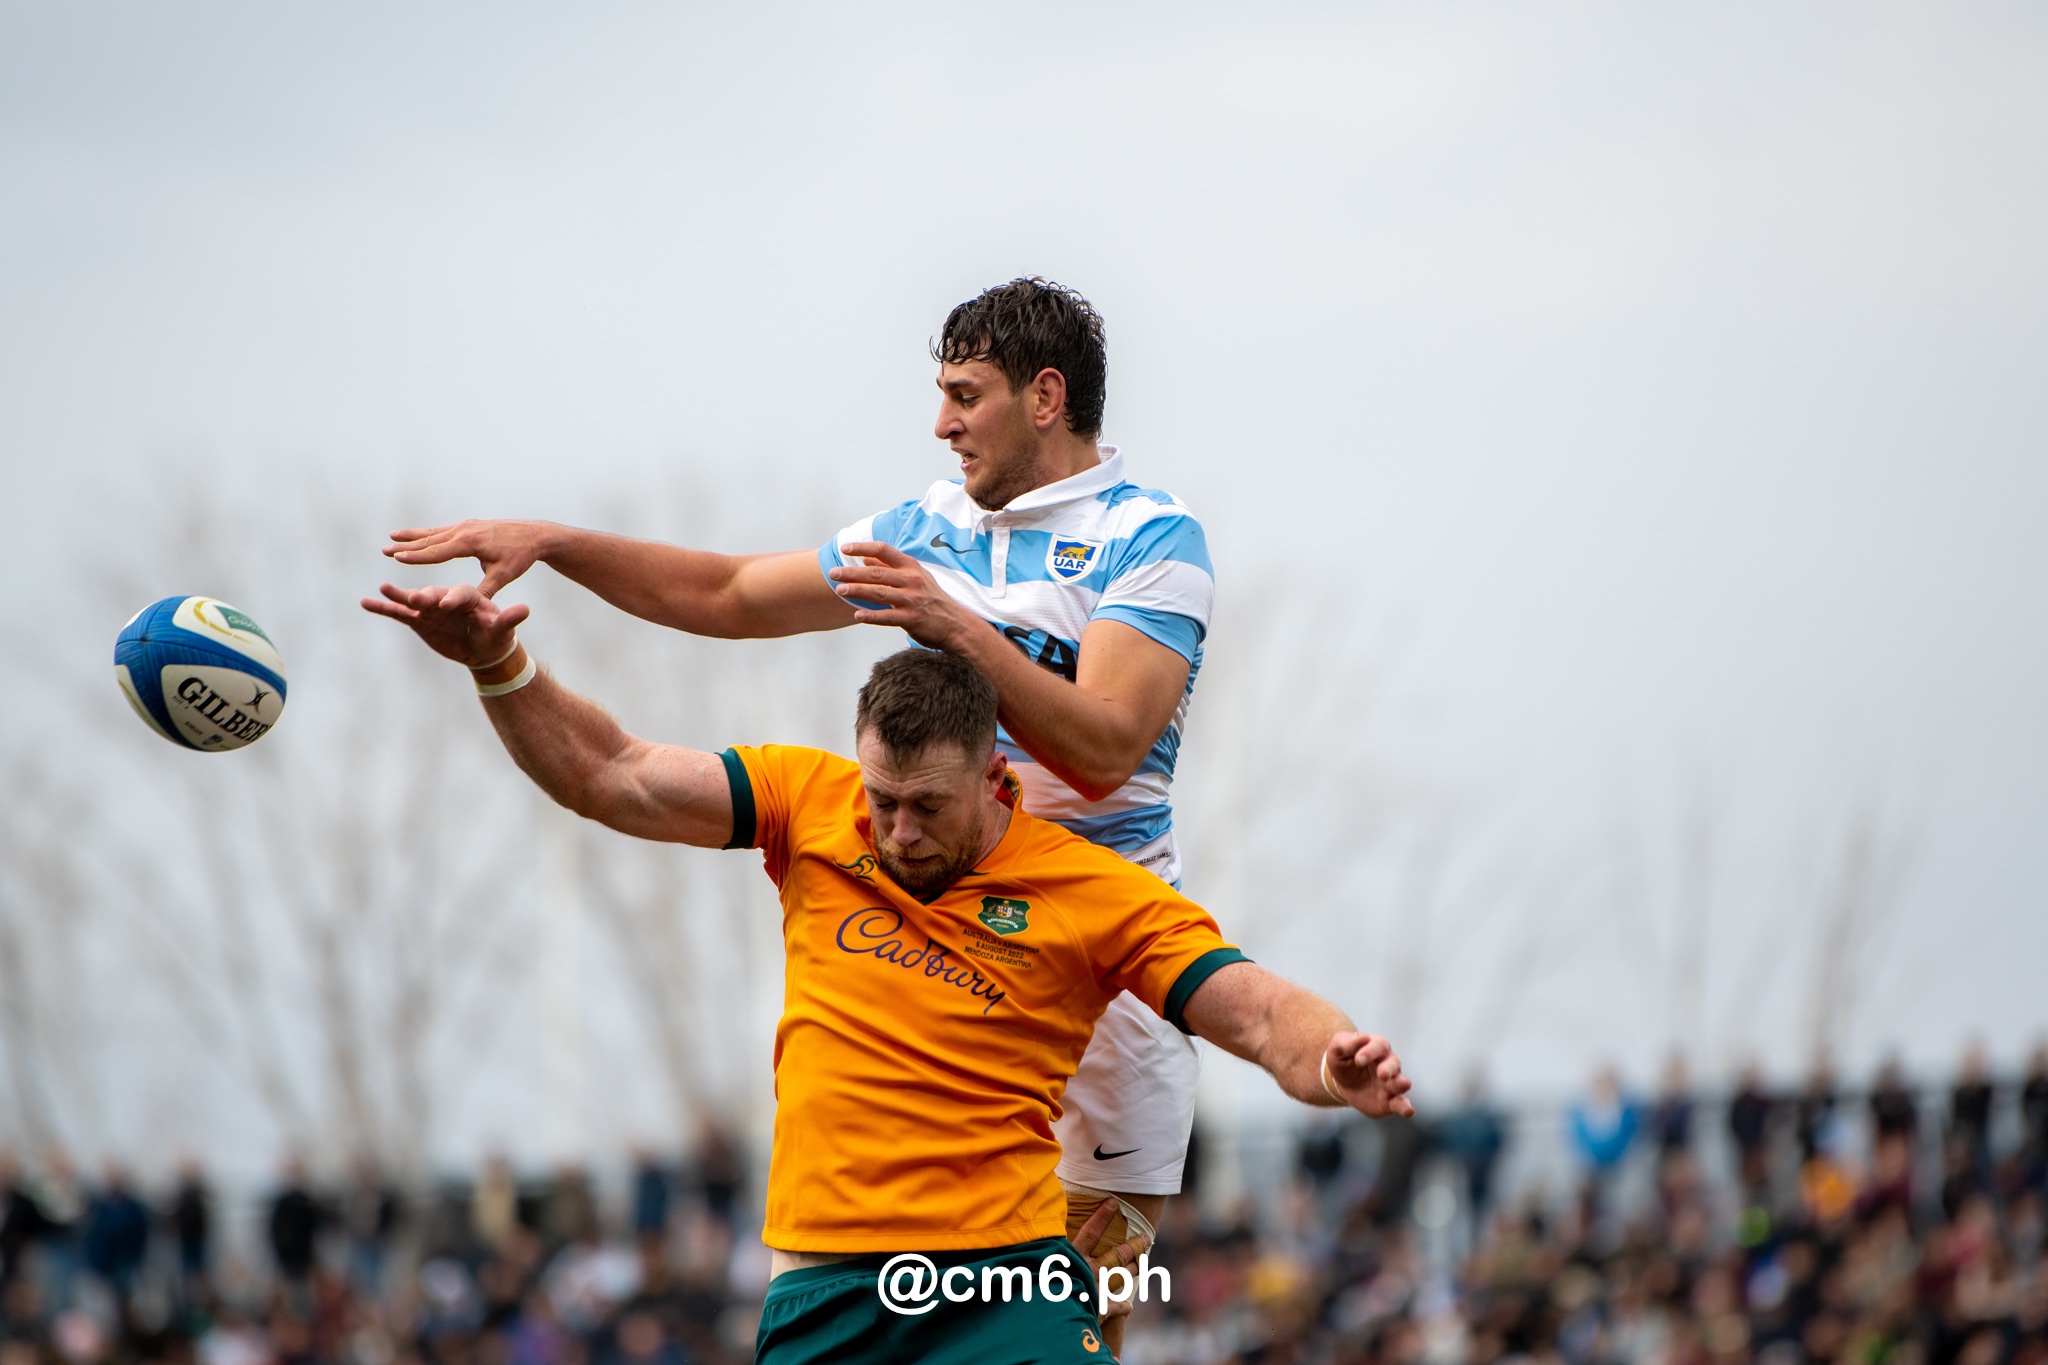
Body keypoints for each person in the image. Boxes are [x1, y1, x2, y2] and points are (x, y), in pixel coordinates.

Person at [380, 280, 1215, 1305]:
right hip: (945, 959)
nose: (941, 423)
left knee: (1083, 1315)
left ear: (1045, 398)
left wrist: (954, 627)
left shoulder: (1152, 537)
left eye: (966, 394)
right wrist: (556, 545)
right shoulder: (921, 528)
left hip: (1106, 955)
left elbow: (1106, 750)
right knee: (902, 1294)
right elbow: (727, 594)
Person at [359, 579, 1414, 1365]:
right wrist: (498, 666)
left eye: (928, 807)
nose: (897, 831)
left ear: (994, 779)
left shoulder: (1089, 889)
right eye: (882, 799)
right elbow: (611, 774)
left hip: (1009, 1289)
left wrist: (1330, 1058)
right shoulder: (805, 802)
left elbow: (1257, 1010)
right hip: (823, 1292)